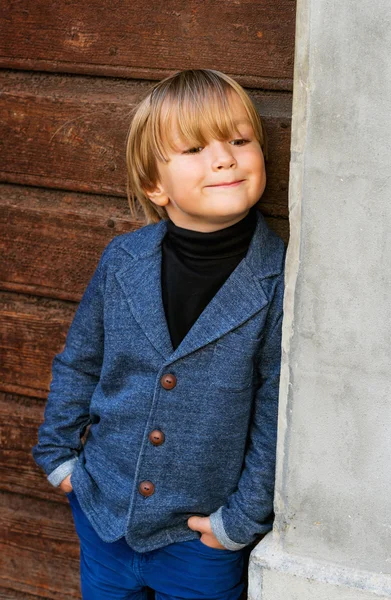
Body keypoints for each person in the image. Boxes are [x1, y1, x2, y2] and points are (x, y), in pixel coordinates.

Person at [32, 68, 286, 600]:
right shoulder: (122, 261)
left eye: (240, 141)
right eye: (194, 148)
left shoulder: (279, 278)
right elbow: (80, 361)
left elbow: (275, 409)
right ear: (154, 185)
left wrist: (238, 522)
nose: (224, 158)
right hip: (102, 517)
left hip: (199, 542)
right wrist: (59, 458)